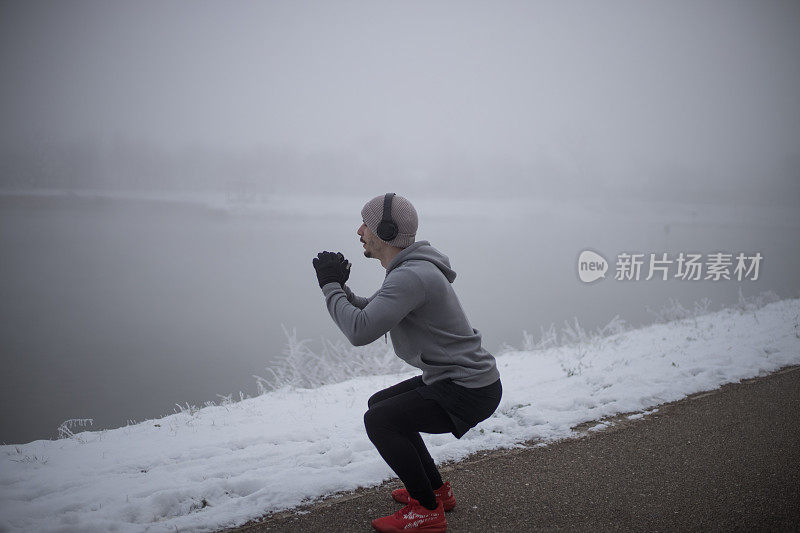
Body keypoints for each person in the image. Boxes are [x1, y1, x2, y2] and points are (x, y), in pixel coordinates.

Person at [312, 193, 502, 533]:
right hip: (463, 381)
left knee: (381, 420)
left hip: (467, 389)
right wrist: (342, 288)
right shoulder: (412, 270)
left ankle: (426, 511)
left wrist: (329, 288)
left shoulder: (410, 276)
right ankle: (435, 492)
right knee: (381, 405)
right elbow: (376, 308)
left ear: (385, 231)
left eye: (366, 225)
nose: (360, 231)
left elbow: (360, 330)